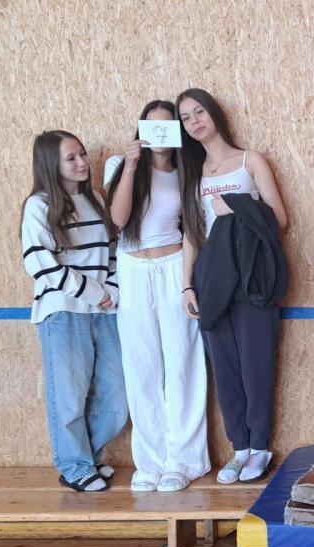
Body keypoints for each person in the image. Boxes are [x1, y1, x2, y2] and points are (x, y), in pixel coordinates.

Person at [176, 87, 289, 485]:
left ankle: (259, 447)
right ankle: (239, 447)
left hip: (252, 274)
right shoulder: (193, 176)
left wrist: (236, 205)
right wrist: (187, 286)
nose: (194, 121)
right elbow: (192, 234)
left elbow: (279, 218)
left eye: (199, 112)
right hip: (211, 277)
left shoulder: (249, 161)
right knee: (223, 365)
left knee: (256, 362)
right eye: (186, 118)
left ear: (214, 113)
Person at [103, 100, 209, 492]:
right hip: (132, 269)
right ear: (141, 129)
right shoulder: (120, 165)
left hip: (172, 266)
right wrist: (132, 166)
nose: (160, 133)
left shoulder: (187, 172)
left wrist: (186, 284)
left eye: (168, 125)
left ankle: (185, 460)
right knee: (141, 367)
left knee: (182, 363)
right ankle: (149, 462)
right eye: (152, 126)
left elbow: (191, 231)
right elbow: (118, 220)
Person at [20, 130, 127, 492]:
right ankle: (74, 465)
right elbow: (40, 264)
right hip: (64, 311)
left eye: (82, 154)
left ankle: (86, 458)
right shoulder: (39, 205)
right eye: (71, 158)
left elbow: (115, 250)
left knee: (117, 396)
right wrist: (93, 293)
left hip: (105, 311)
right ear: (51, 164)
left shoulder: (96, 199)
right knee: (69, 396)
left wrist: (111, 291)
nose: (82, 162)